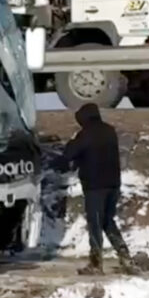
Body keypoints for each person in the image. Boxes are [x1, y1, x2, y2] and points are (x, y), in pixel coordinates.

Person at [52, 103, 139, 275]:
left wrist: (63, 156)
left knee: (95, 224)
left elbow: (70, 153)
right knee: (108, 221)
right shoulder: (109, 131)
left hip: (95, 186)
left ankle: (96, 264)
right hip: (113, 184)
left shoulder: (86, 134)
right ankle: (125, 257)